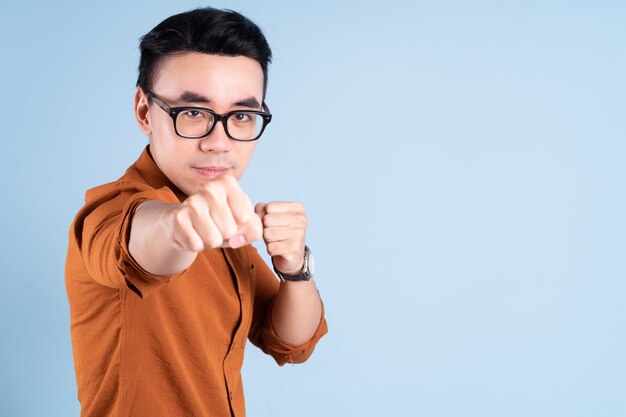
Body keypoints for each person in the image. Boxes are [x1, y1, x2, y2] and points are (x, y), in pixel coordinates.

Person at [65, 7, 327, 417]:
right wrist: (179, 229)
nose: (219, 142)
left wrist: (294, 267)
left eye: (241, 116)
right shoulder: (111, 212)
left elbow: (291, 342)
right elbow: (140, 237)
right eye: (193, 113)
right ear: (143, 112)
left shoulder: (230, 227)